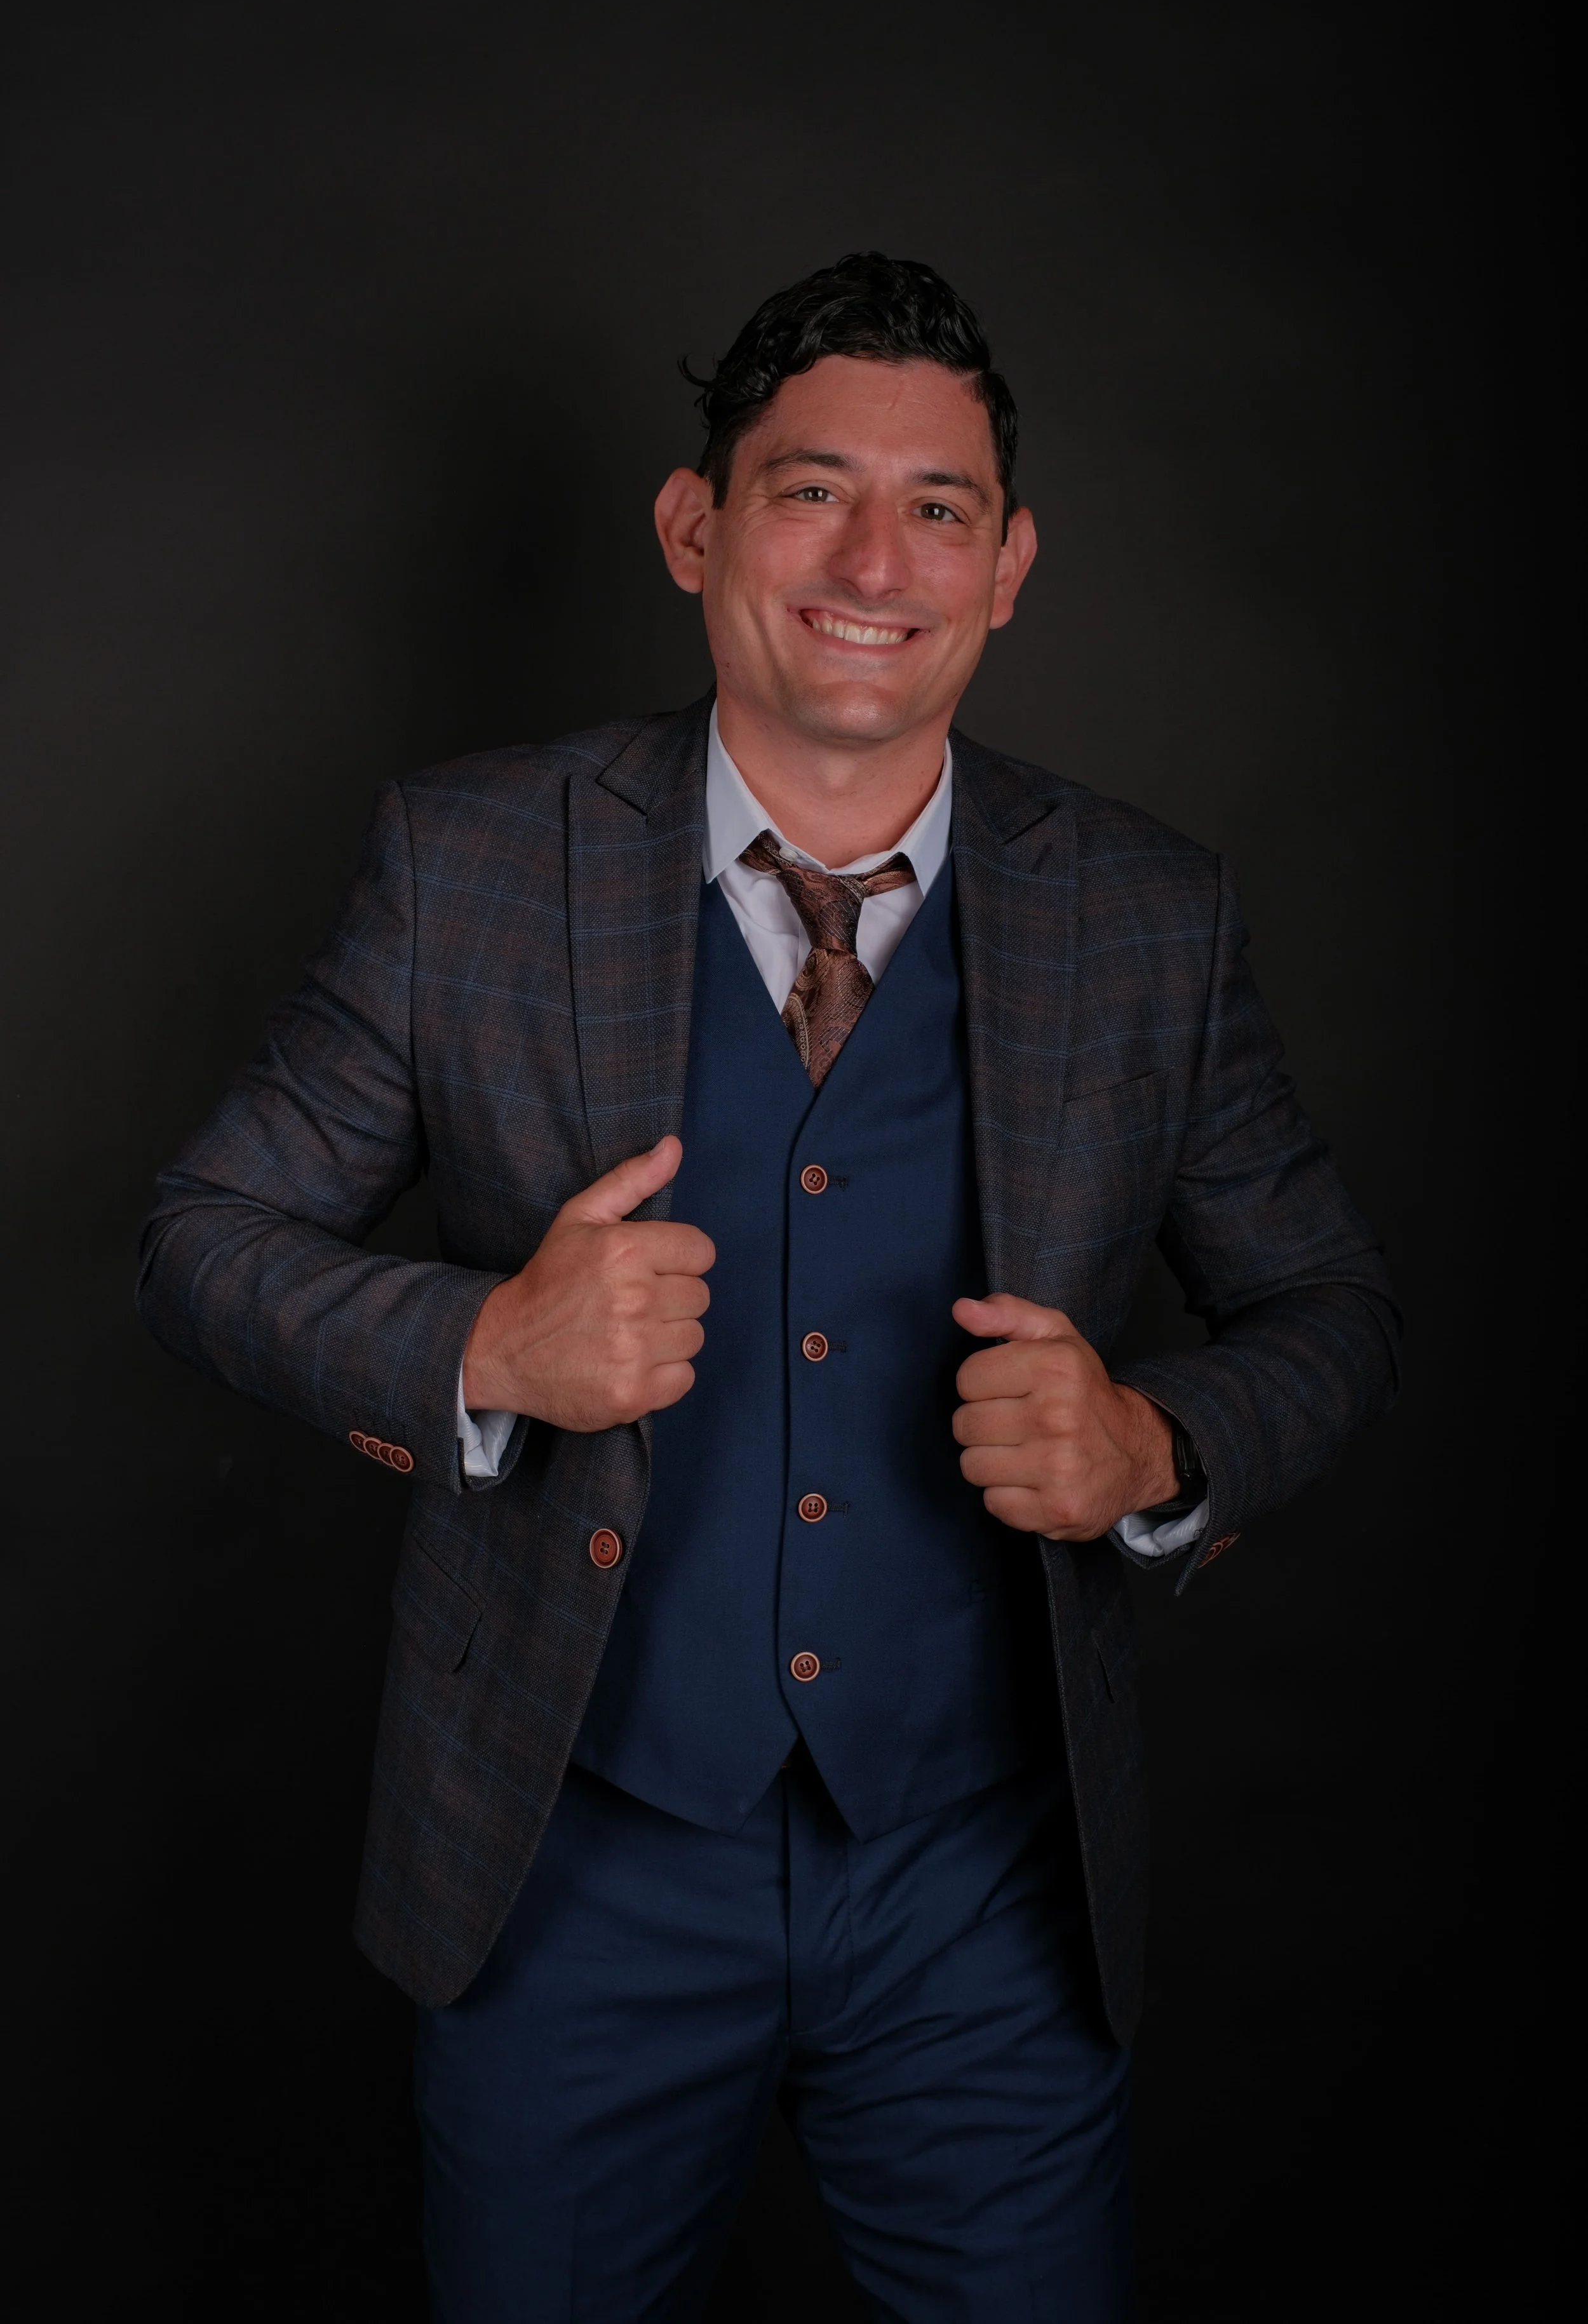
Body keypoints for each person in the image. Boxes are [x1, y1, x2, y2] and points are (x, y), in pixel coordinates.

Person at [138, 252, 1399, 2321]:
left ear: (1006, 567)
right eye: (810, 491)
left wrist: (1154, 1447)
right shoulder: (469, 861)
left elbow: (1331, 1306)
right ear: (691, 525)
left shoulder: (1146, 917)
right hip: (568, 1870)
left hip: (985, 1889)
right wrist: (484, 1342)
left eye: (937, 509)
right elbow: (204, 1231)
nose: (872, 564)